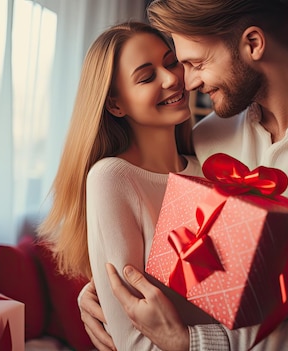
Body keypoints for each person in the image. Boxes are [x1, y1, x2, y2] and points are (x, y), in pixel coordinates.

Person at [78, 0, 288, 350]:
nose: (187, 82)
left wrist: (200, 345)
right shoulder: (208, 135)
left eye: (195, 63)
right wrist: (104, 291)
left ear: (253, 43)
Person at [37, 21, 214, 350]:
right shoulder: (112, 177)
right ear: (116, 105)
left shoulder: (209, 170)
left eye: (171, 61)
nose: (172, 78)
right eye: (147, 77)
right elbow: (129, 341)